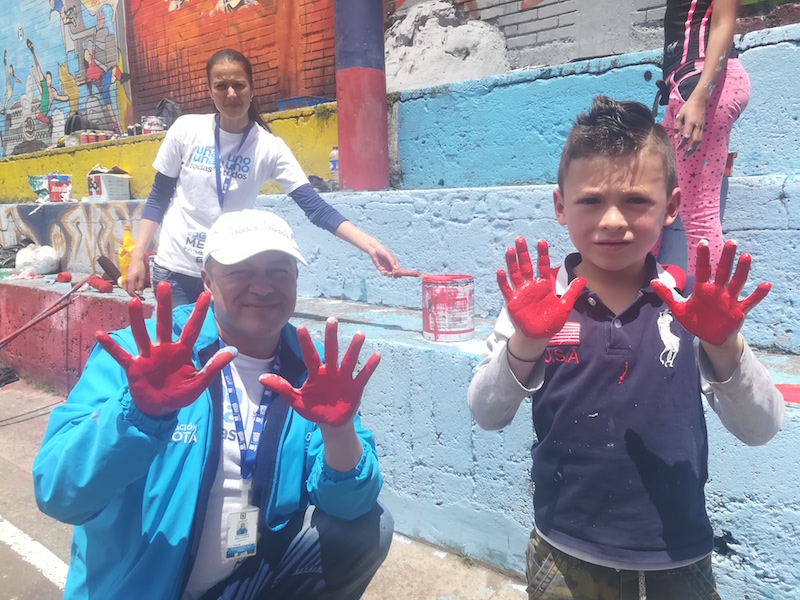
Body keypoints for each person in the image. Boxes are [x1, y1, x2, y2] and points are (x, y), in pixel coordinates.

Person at [467, 96, 783, 599]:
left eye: (636, 200)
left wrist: (724, 344)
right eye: (591, 200)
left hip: (679, 561)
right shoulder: (536, 307)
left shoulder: (691, 309)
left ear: (672, 207)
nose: (613, 220)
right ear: (559, 206)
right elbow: (486, 412)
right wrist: (527, 341)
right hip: (564, 561)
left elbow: (762, 427)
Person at [33, 209, 393, 599]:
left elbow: (349, 504)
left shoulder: (312, 370)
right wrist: (139, 415)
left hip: (241, 580)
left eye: (279, 270)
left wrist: (337, 431)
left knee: (367, 528)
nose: (262, 287)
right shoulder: (143, 356)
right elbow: (58, 493)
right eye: (240, 271)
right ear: (207, 280)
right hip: (139, 589)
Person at [124, 48, 399, 305]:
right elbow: (158, 197)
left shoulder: (268, 147)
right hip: (174, 271)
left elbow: (315, 209)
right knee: (177, 354)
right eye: (221, 86)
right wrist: (138, 255)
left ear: (252, 90)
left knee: (221, 354)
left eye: (239, 85)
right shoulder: (186, 130)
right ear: (210, 91)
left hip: (226, 273)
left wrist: (371, 246)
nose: (231, 93)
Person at [656, 0, 749, 275]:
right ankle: (633, 292)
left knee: (698, 212)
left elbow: (723, 22)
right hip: (683, 88)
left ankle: (706, 310)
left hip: (703, 85)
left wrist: (700, 95)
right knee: (652, 198)